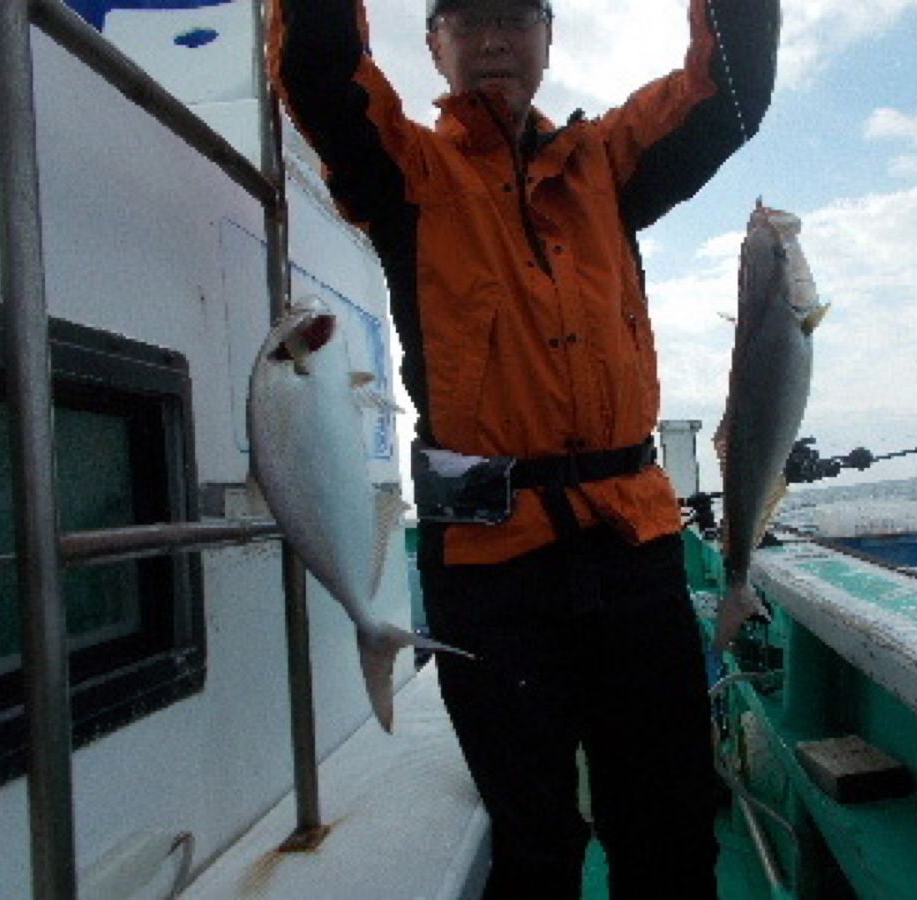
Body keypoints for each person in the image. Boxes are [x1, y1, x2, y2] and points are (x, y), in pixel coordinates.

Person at [268, 0, 779, 896]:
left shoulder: (610, 165)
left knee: (668, 831)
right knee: (534, 842)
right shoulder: (408, 172)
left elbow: (729, 92)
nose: (494, 38)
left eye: (514, 17)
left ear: (548, 38)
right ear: (433, 45)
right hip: (493, 570)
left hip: (634, 549)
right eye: (467, 20)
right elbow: (317, 68)